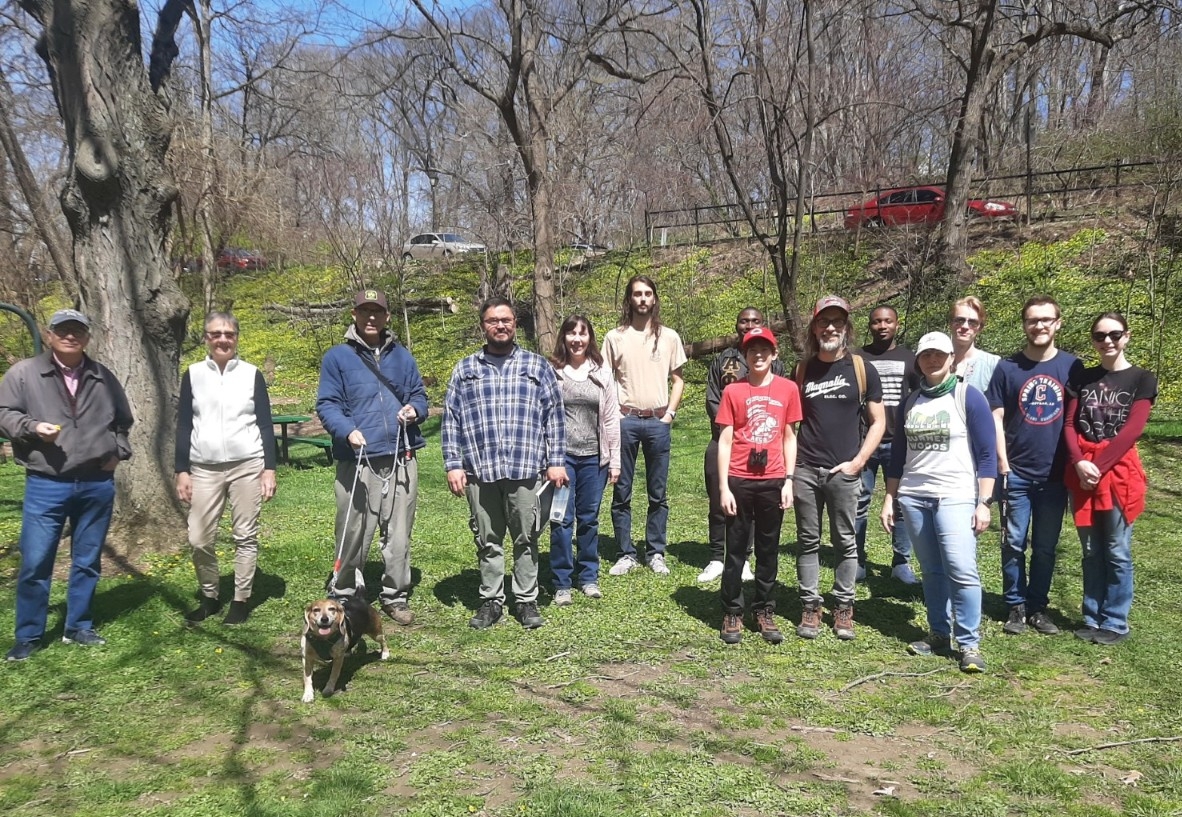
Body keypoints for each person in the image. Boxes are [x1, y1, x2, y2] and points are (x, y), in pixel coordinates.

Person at [0, 309, 133, 661]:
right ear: (49, 335)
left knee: (87, 560)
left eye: (77, 331)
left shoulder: (103, 376)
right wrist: (31, 427)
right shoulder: (25, 373)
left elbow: (123, 421)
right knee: (36, 562)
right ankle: (28, 635)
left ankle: (78, 627)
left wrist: (117, 454)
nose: (70, 336)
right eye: (62, 330)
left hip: (95, 483)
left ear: (87, 337)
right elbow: (4, 413)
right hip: (47, 482)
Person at [442, 298, 567, 629]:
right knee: (487, 538)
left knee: (526, 537)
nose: (500, 325)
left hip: (525, 468)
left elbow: (554, 417)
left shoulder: (537, 366)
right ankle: (491, 600)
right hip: (479, 470)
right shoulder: (465, 369)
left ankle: (526, 600)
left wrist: (556, 462)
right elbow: (451, 420)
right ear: (483, 325)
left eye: (506, 320)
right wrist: (453, 464)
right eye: (493, 320)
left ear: (514, 323)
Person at [882, 331, 997, 673]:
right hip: (914, 495)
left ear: (951, 358)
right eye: (926, 355)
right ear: (918, 360)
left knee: (961, 569)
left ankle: (969, 642)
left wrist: (984, 501)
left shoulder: (968, 396)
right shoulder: (911, 400)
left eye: (939, 354)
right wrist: (890, 498)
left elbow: (988, 453)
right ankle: (938, 633)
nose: (933, 360)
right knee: (932, 571)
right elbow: (898, 455)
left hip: (956, 495)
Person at [317, 290, 428, 625]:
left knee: (398, 533)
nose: (370, 317)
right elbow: (327, 404)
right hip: (358, 460)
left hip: (400, 457)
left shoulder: (402, 357)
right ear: (354, 314)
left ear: (387, 317)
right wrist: (347, 430)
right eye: (364, 311)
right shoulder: (337, 358)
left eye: (376, 311)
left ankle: (395, 595)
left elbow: (419, 396)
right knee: (353, 531)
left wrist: (415, 410)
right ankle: (345, 596)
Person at [987, 295, 1084, 636]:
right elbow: (996, 417)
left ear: (1058, 323)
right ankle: (1015, 606)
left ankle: (1038, 608)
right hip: (1017, 472)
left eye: (1046, 319)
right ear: (1024, 324)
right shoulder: (1008, 368)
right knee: (1013, 542)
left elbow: (1080, 420)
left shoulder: (1073, 367)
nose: (1039, 325)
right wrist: (1002, 462)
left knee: (1045, 545)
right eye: (1033, 320)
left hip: (1055, 475)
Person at [175, 312, 277, 626]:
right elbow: (183, 426)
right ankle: (209, 596)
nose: (223, 339)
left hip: (247, 465)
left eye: (229, 333)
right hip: (203, 468)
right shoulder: (192, 375)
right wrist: (182, 470)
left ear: (236, 337)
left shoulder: (251, 374)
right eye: (216, 333)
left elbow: (264, 423)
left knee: (245, 535)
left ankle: (240, 600)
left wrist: (269, 468)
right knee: (199, 538)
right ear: (206, 337)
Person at [792, 296, 885, 641]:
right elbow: (790, 424)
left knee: (846, 542)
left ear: (847, 327)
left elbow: (879, 422)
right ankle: (810, 606)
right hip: (805, 468)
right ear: (814, 328)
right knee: (807, 541)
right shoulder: (802, 370)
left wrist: (858, 462)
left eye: (838, 321)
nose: (830, 327)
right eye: (823, 321)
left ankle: (844, 606)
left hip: (844, 471)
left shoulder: (862, 369)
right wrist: (791, 469)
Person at [1064, 312, 1156, 645]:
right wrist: (1078, 462)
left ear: (1126, 336)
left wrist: (1097, 466)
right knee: (1090, 550)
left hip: (1117, 474)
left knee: (1117, 549)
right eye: (1099, 336)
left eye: (1114, 335)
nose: (1107, 341)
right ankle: (1092, 616)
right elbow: (1070, 425)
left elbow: (1132, 430)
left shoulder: (1142, 379)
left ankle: (1115, 620)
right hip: (1082, 473)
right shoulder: (1083, 379)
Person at [716, 327, 800, 644]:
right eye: (752, 350)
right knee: (736, 550)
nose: (759, 354)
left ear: (774, 354)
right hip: (739, 479)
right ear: (745, 355)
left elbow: (790, 437)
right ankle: (732, 611)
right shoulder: (733, 392)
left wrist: (788, 480)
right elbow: (725, 440)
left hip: (773, 480)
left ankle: (764, 609)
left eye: (765, 349)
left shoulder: (788, 389)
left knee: (768, 549)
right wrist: (724, 486)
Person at [601, 275, 686, 576]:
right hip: (625, 421)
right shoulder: (615, 337)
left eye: (648, 294)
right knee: (621, 490)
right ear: (629, 299)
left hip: (658, 422)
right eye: (637, 294)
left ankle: (655, 552)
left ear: (654, 299)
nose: (642, 299)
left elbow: (678, 379)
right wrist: (615, 415)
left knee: (657, 493)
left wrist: (670, 415)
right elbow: (604, 379)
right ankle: (625, 553)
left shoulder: (669, 337)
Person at [701, 307, 783, 583]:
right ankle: (716, 557)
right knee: (718, 500)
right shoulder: (722, 360)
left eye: (755, 321)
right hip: (722, 440)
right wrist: (731, 428)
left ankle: (745, 558)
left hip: (760, 446)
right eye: (744, 321)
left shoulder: (773, 361)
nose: (749, 325)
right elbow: (713, 398)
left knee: (753, 505)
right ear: (736, 325)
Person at [549, 315, 620, 605]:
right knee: (562, 520)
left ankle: (589, 576)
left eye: (583, 333)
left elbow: (612, 418)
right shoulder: (553, 372)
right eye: (571, 333)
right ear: (563, 337)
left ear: (590, 337)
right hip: (563, 459)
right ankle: (562, 582)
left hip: (594, 460)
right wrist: (549, 460)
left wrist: (615, 460)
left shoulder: (602, 372)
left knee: (589, 519)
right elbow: (545, 416)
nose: (577, 339)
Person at [854, 304, 920, 584]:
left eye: (888, 321)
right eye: (877, 322)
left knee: (902, 504)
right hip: (865, 441)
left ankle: (901, 562)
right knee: (859, 501)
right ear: (869, 325)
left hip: (899, 441)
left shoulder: (910, 358)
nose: (882, 326)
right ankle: (856, 560)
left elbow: (919, 395)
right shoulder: (857, 357)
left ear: (896, 324)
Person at [950, 296, 1000, 393]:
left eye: (972, 323)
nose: (965, 326)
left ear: (980, 328)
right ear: (950, 323)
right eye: (959, 320)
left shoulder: (993, 364)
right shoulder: (936, 362)